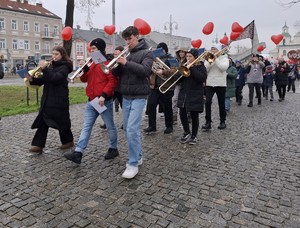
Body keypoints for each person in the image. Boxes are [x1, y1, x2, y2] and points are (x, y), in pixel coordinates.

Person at [64, 38, 119, 164]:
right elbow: (84, 79)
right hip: (91, 101)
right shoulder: (92, 62)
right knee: (86, 127)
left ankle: (113, 148)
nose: (91, 50)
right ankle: (78, 153)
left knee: (110, 126)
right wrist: (82, 70)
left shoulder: (106, 63)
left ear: (100, 49)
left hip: (102, 101)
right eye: (91, 48)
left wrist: (104, 95)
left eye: (94, 48)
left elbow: (112, 81)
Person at [112, 26, 154, 179]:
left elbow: (145, 71)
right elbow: (117, 74)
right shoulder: (126, 54)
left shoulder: (147, 53)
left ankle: (133, 164)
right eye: (126, 39)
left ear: (137, 36)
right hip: (126, 96)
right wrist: (116, 63)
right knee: (128, 130)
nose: (127, 42)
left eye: (130, 39)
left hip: (139, 96)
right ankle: (138, 155)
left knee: (131, 129)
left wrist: (125, 62)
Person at [25, 46, 74, 153]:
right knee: (43, 120)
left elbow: (55, 78)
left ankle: (68, 141)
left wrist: (45, 69)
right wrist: (32, 79)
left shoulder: (65, 67)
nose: (54, 56)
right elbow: (43, 80)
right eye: (53, 54)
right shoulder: (50, 66)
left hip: (59, 100)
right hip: (47, 98)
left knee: (62, 122)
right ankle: (38, 145)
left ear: (62, 55)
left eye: (56, 54)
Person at [177, 49, 207, 144]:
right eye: (187, 56)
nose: (188, 58)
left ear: (195, 57)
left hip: (195, 94)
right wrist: (181, 72)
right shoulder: (184, 66)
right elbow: (177, 80)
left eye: (190, 56)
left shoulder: (201, 66)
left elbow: (202, 78)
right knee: (182, 113)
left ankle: (194, 135)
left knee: (194, 115)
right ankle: (187, 132)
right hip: (184, 93)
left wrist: (192, 68)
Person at [144, 42, 174, 134]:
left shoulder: (171, 59)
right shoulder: (154, 59)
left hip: (166, 86)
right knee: (151, 106)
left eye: (159, 50)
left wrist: (163, 72)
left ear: (164, 50)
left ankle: (169, 126)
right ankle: (152, 126)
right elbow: (149, 70)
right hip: (154, 86)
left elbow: (175, 70)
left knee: (167, 107)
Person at [202, 43, 229, 130]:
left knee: (221, 104)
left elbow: (223, 68)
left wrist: (216, 59)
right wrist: (210, 60)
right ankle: (208, 122)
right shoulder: (209, 58)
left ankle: (222, 121)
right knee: (208, 102)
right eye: (212, 49)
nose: (213, 51)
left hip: (220, 84)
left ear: (219, 51)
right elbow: (206, 68)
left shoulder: (225, 58)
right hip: (210, 83)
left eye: (215, 49)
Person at [172, 47, 188, 123]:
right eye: (180, 52)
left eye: (182, 52)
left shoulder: (187, 61)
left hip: (185, 83)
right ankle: (174, 116)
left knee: (186, 100)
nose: (181, 53)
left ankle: (188, 115)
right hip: (177, 82)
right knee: (175, 99)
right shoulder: (176, 61)